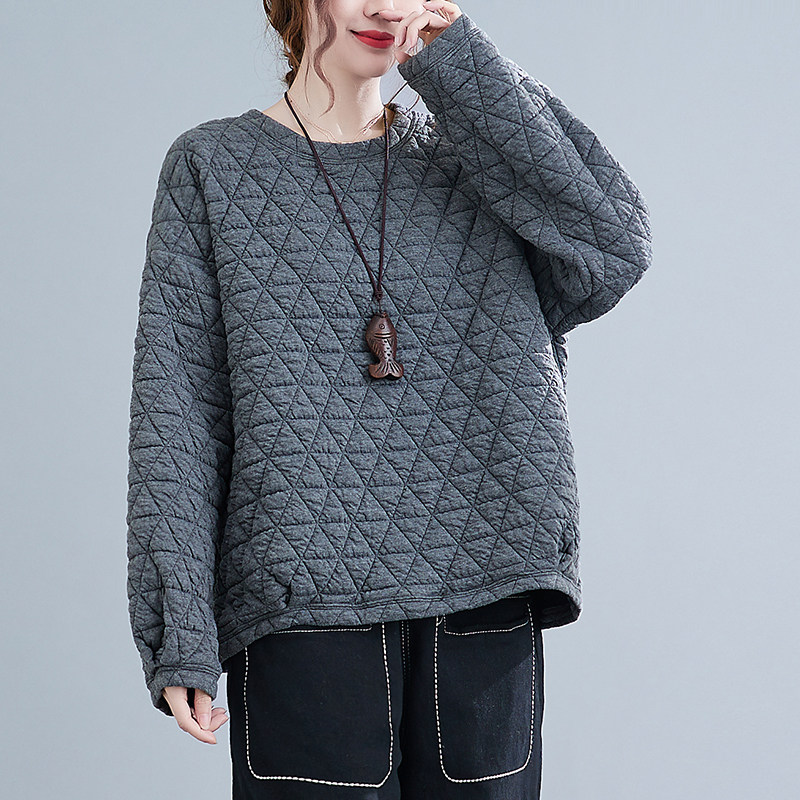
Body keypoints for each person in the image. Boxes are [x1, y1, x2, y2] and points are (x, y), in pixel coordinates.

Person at [125, 1, 652, 797]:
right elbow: (178, 418)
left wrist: (461, 64)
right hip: (303, 608)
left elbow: (613, 245)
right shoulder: (212, 166)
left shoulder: (478, 152)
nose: (383, 5)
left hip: (485, 588)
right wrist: (180, 635)